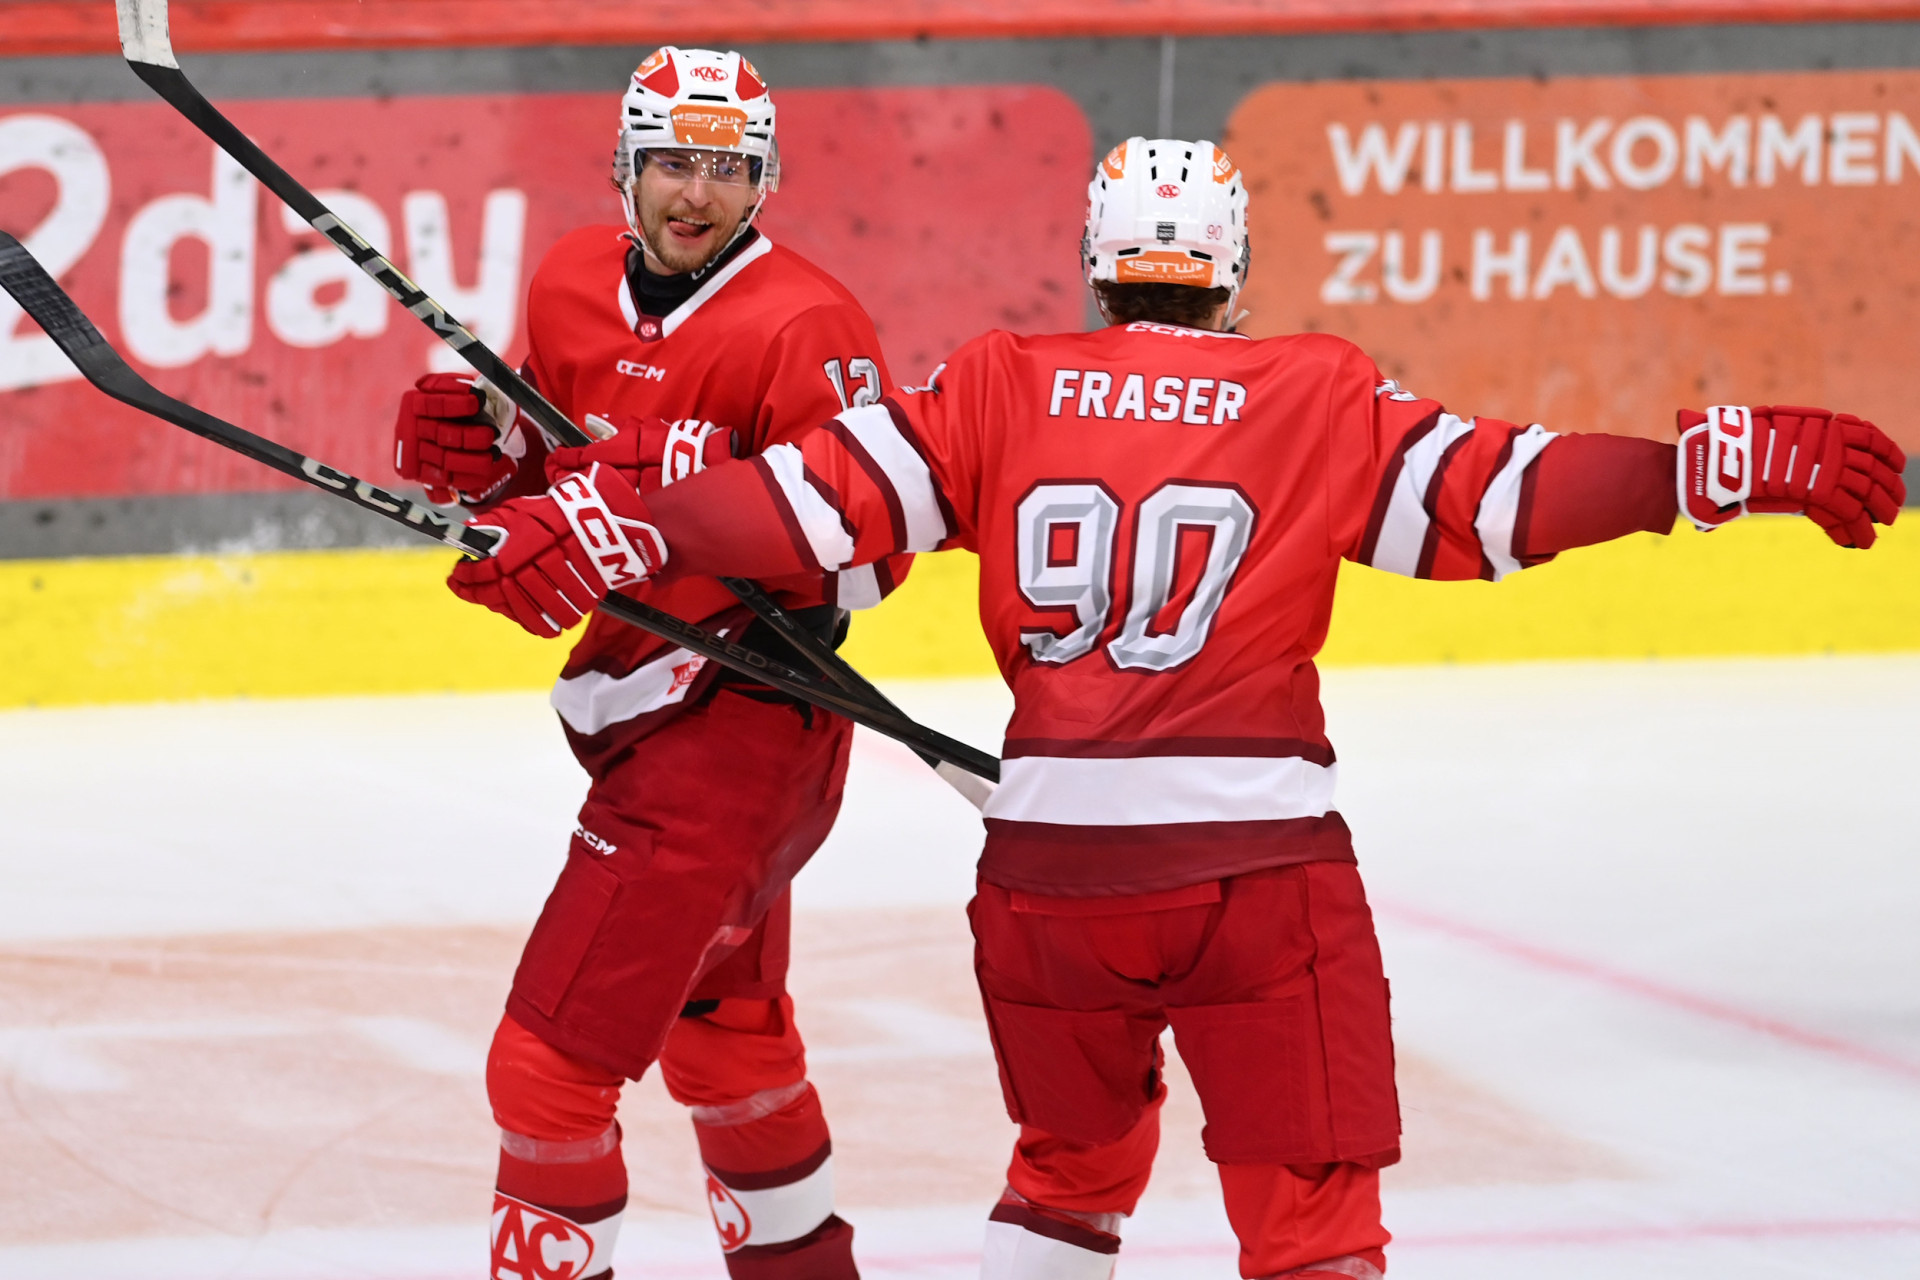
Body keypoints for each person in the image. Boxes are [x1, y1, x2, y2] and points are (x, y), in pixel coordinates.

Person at [445, 136, 1906, 1279]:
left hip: (1048, 888)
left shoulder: (998, 387)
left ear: (1095, 268)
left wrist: (624, 520)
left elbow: (805, 509)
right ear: (1235, 271)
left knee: (1067, 1180)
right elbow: (1500, 503)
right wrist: (1701, 472)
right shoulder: (1316, 392)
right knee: (1312, 1223)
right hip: (1258, 877)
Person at [392, 46, 911, 1280]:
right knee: (728, 1038)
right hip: (639, 703)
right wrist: (497, 465)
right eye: (672, 161)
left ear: (765, 179)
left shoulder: (808, 324)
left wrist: (679, 508)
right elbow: (564, 480)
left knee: (546, 1068)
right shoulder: (572, 279)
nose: (696, 193)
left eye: (727, 169)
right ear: (625, 166)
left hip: (748, 715)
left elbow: (873, 564)